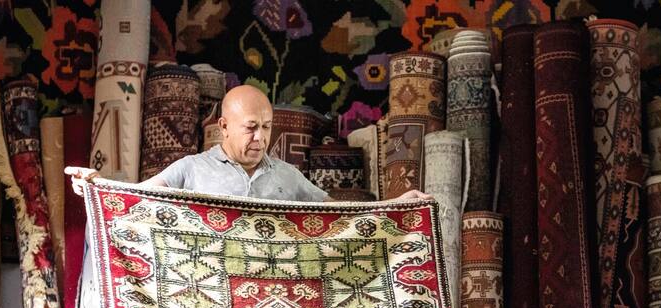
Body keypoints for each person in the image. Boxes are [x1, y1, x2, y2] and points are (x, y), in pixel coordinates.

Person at [69, 85, 429, 203]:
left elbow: (338, 216)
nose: (261, 138)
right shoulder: (191, 169)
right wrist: (97, 185)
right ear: (224, 127)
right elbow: (136, 197)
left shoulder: (288, 176)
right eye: (251, 128)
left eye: (267, 127)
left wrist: (396, 205)